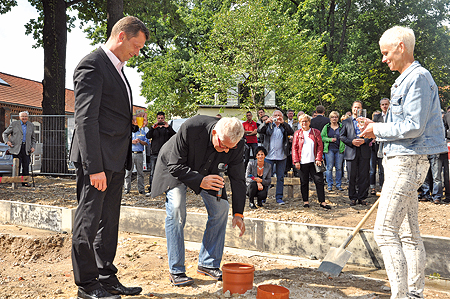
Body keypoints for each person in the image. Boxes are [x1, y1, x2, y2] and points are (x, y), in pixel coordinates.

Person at [360, 26, 447, 299]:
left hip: (406, 162)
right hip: (405, 160)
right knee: (409, 233)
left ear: (400, 46)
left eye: (386, 53)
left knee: (384, 232)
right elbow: (405, 123)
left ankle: (401, 295)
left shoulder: (417, 78)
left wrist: (378, 129)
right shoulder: (406, 79)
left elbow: (413, 126)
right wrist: (376, 126)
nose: (384, 59)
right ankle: (414, 293)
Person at [69, 16, 149, 299]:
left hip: (116, 160)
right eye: (136, 46)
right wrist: (94, 168)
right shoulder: (92, 64)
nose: (137, 52)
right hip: (98, 163)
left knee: (109, 222)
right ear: (121, 36)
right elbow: (86, 119)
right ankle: (87, 285)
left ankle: (105, 276)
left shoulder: (118, 68)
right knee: (88, 222)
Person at [150, 116, 246, 286]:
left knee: (221, 208)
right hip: (176, 166)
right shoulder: (192, 127)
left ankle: (208, 263)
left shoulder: (235, 143)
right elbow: (175, 165)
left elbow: (238, 179)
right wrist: (200, 181)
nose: (225, 151)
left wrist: (239, 213)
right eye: (222, 145)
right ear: (215, 132)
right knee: (177, 209)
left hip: (207, 169)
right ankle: (177, 270)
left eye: (229, 148)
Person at [292, 114, 330, 209]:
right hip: (302, 162)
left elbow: (320, 146)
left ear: (309, 122)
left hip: (314, 162)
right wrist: (296, 161)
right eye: (302, 121)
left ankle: (322, 201)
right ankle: (306, 201)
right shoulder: (297, 133)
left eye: (306, 121)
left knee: (319, 181)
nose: (304, 123)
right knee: (304, 182)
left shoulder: (315, 132)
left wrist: (318, 158)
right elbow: (294, 148)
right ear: (299, 123)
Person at [258, 110, 294, 205]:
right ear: (272, 116)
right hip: (269, 156)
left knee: (280, 177)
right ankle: (263, 197)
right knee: (266, 177)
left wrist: (284, 123)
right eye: (275, 115)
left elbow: (291, 131)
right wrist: (265, 122)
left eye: (279, 115)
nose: (277, 117)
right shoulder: (269, 125)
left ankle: (279, 197)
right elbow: (259, 130)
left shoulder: (284, 127)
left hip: (281, 156)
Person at [341, 101, 371, 206]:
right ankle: (353, 197)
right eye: (355, 107)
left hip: (364, 151)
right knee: (352, 176)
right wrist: (351, 142)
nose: (356, 109)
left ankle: (362, 197)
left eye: (359, 107)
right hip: (351, 151)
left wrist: (364, 141)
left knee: (363, 176)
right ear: (352, 108)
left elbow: (371, 135)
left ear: (361, 109)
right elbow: (342, 136)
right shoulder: (346, 122)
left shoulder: (367, 122)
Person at [145, 111, 176, 195]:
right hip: (154, 154)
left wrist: (168, 127)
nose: (160, 120)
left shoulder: (167, 129)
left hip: (165, 154)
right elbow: (147, 136)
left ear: (164, 118)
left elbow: (175, 136)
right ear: (157, 118)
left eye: (162, 118)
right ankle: (152, 189)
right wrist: (152, 128)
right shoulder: (154, 128)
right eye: (159, 118)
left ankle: (166, 189)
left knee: (166, 172)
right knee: (153, 172)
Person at [2, 111, 35, 187]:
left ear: (28, 117)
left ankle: (25, 182)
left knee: (26, 166)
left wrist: (33, 147)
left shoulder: (31, 125)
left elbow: (33, 139)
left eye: (25, 116)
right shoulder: (14, 124)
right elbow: (5, 133)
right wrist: (7, 141)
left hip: (26, 148)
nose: (24, 118)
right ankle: (15, 182)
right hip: (16, 148)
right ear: (19, 117)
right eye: (22, 116)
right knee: (17, 165)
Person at [124, 115, 148, 195]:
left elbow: (147, 143)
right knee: (128, 173)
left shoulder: (142, 132)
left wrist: (140, 141)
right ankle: (127, 189)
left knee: (140, 173)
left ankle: (141, 189)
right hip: (130, 154)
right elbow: (124, 141)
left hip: (139, 154)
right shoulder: (128, 131)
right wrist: (131, 141)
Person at [321, 111, 345, 192]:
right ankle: (329, 185)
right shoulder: (327, 127)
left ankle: (338, 184)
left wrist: (344, 146)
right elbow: (322, 137)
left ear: (338, 118)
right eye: (332, 117)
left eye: (336, 117)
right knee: (329, 168)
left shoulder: (341, 126)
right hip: (329, 149)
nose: (334, 118)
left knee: (339, 168)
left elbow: (345, 136)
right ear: (330, 118)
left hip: (339, 149)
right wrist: (330, 139)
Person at [370, 98, 390, 195]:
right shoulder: (377, 117)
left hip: (387, 146)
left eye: (386, 104)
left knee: (383, 169)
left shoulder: (392, 117)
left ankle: (382, 187)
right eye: (383, 104)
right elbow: (373, 129)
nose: (385, 106)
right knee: (372, 169)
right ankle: (372, 187)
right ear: (380, 106)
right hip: (376, 147)